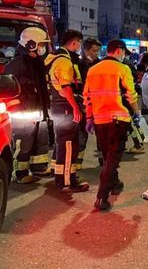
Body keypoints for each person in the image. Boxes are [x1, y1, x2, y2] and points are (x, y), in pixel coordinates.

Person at [84, 39, 141, 211]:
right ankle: (102, 197)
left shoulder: (93, 69)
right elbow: (131, 94)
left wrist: (88, 118)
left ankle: (115, 184)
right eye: (123, 52)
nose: (124, 56)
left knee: (108, 155)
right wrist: (136, 112)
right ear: (118, 51)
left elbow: (87, 97)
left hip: (100, 120)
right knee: (113, 158)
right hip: (118, 118)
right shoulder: (122, 69)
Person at [4, 27, 51, 183]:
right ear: (31, 44)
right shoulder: (16, 65)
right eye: (41, 44)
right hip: (23, 113)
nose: (43, 48)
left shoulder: (37, 62)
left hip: (37, 111)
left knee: (41, 141)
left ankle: (39, 167)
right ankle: (20, 172)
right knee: (23, 143)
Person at [45, 29, 89, 192]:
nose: (79, 47)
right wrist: (75, 107)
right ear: (73, 42)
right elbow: (66, 86)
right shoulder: (64, 61)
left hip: (56, 105)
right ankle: (66, 181)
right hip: (65, 105)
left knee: (61, 143)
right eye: (79, 43)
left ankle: (59, 177)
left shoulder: (51, 58)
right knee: (69, 144)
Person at [76, 37, 102, 171]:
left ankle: (103, 160)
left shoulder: (100, 64)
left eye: (98, 51)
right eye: (93, 51)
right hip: (84, 104)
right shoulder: (78, 65)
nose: (96, 53)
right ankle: (78, 161)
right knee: (82, 134)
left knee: (101, 134)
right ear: (85, 50)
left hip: (99, 105)